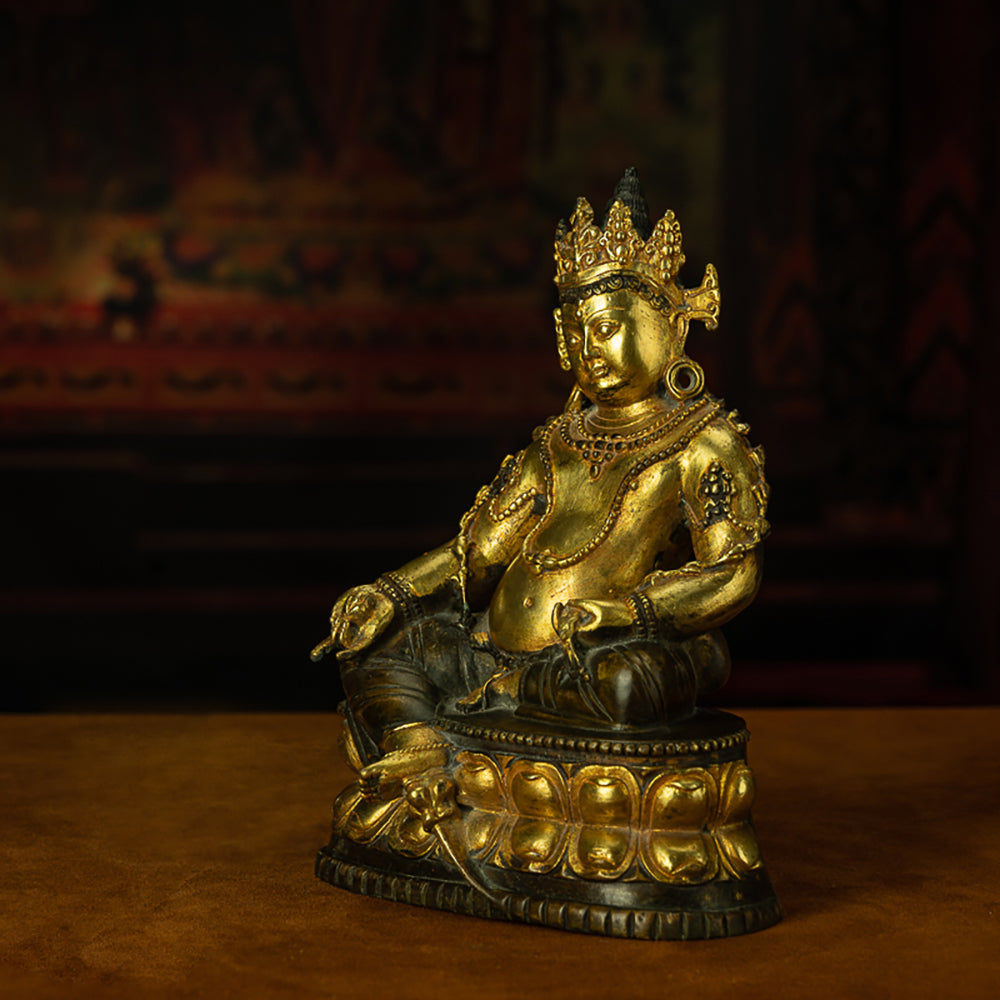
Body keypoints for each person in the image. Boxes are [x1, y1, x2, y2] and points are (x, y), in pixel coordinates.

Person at [311, 169, 769, 800]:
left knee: (630, 683)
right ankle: (420, 748)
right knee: (377, 644)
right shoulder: (554, 445)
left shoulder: (702, 442)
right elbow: (475, 556)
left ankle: (497, 710)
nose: (589, 349)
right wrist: (391, 592)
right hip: (492, 651)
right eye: (575, 333)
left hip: (598, 653)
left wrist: (626, 613)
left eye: (606, 328)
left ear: (670, 328)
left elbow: (732, 574)